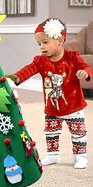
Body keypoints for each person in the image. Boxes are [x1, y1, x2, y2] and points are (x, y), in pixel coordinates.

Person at [6, 18, 93, 169]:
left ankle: (80, 156)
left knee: (78, 133)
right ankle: (53, 155)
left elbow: (87, 67)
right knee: (51, 133)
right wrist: (15, 78)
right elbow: (28, 70)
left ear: (60, 40)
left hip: (74, 107)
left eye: (45, 42)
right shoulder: (40, 61)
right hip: (52, 108)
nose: (41, 47)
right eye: (39, 43)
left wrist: (85, 72)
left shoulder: (72, 57)